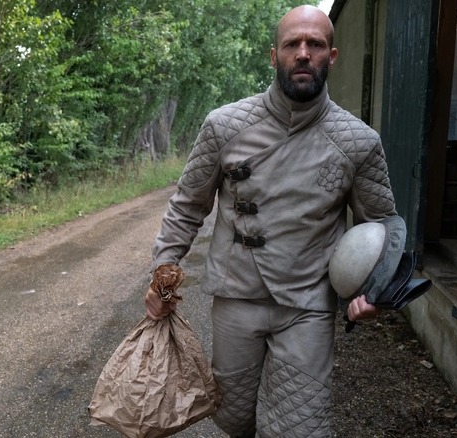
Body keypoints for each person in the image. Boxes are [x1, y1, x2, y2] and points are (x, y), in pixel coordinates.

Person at [144, 4, 398, 438]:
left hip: (308, 304)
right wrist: (162, 278)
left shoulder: (358, 141)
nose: (303, 53)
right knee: (233, 415)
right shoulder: (224, 125)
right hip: (236, 295)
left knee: (299, 426)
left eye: (315, 45)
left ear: (331, 56)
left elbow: (383, 224)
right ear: (274, 55)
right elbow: (188, 205)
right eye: (292, 44)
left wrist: (375, 292)